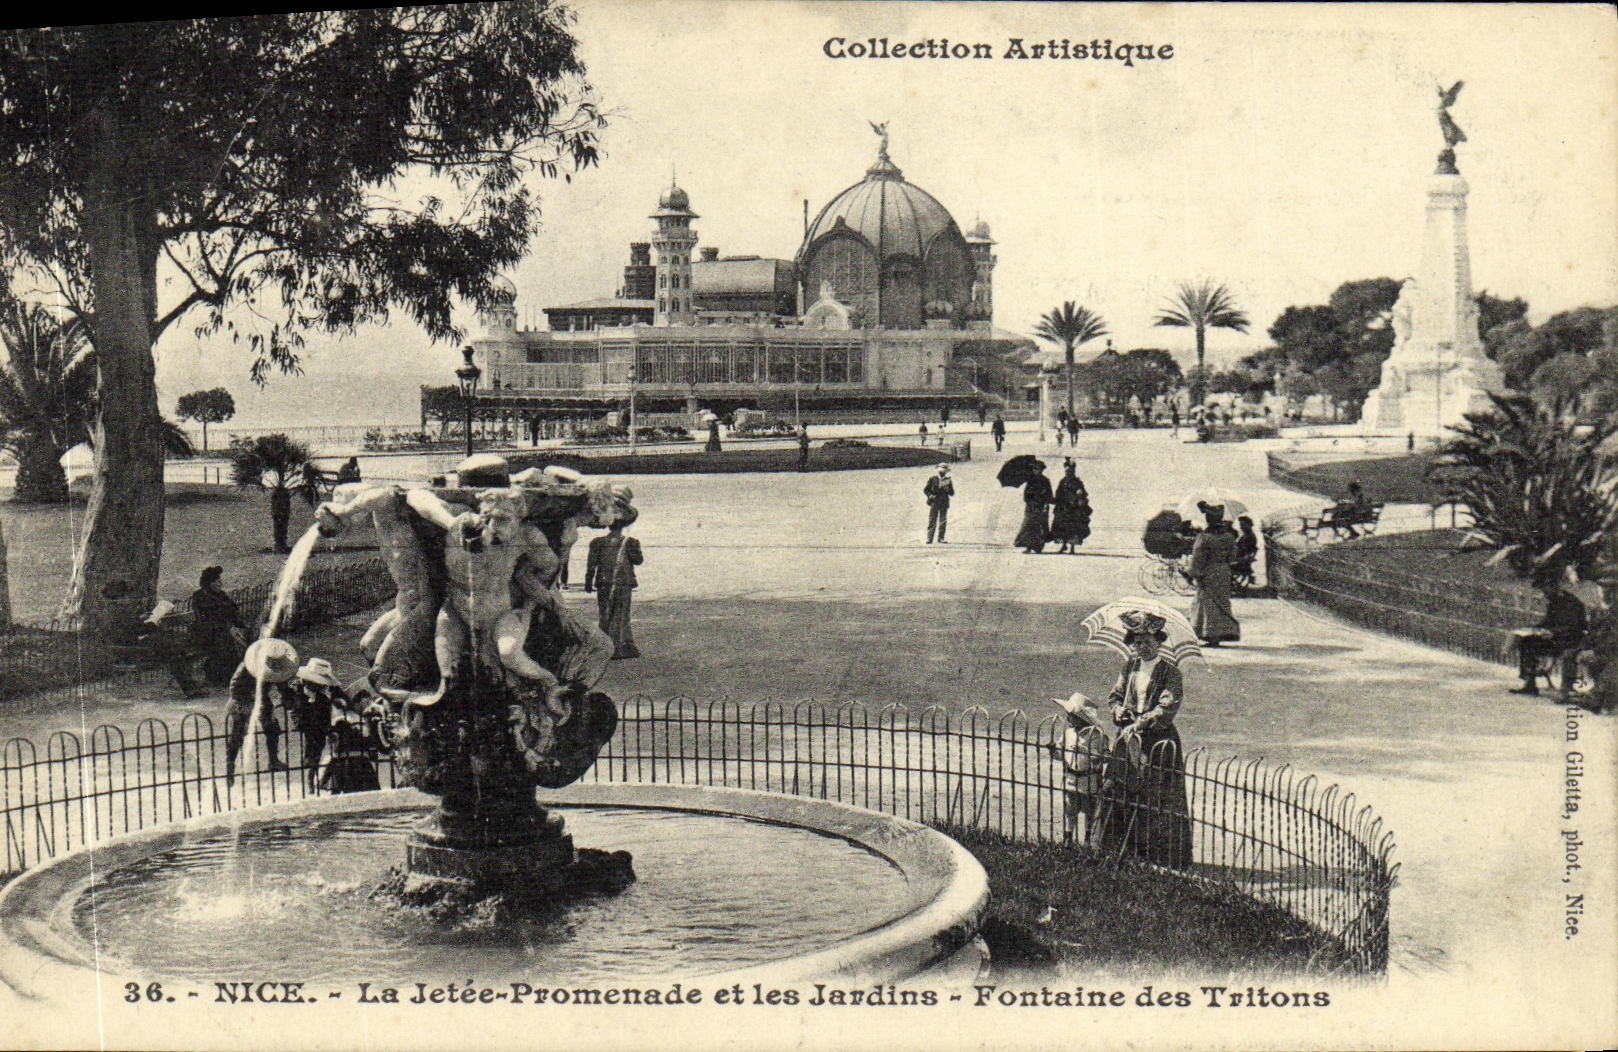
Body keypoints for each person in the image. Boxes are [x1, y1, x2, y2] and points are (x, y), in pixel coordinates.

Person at [1087, 612, 1193, 867]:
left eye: (1148, 641)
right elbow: (1115, 696)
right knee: (1117, 786)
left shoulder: (1171, 672)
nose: (1142, 647)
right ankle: (1116, 849)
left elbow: (1167, 706)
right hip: (1127, 739)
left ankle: (1156, 856)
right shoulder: (1130, 667)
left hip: (1157, 739)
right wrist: (1117, 711)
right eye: (1137, 642)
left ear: (1159, 642)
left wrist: (1141, 722)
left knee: (1155, 793)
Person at [223, 637, 297, 785]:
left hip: (262, 699)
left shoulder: (279, 667)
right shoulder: (248, 665)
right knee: (237, 736)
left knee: (273, 729)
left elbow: (282, 686)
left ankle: (273, 761)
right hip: (243, 700)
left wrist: (290, 699)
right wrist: (244, 704)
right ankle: (229, 769)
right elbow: (234, 686)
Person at [1509, 571, 1588, 697]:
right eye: (1543, 591)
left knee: (1565, 650)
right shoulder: (1554, 601)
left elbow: (1574, 627)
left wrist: (1553, 632)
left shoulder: (1572, 603)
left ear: (1555, 586)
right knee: (1527, 641)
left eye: (1546, 590)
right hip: (1555, 639)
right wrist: (1532, 629)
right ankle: (1530, 683)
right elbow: (1547, 621)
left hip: (1571, 640)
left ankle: (1566, 688)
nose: (1545, 594)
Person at [1047, 693, 1106, 845]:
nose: (1068, 719)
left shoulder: (1095, 735)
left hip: (1088, 778)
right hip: (1071, 777)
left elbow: (1100, 755)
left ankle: (1087, 840)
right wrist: (1054, 751)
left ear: (1080, 718)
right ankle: (1068, 838)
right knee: (1070, 809)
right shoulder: (1069, 733)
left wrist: (1094, 756)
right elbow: (1061, 755)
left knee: (1089, 811)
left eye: (1071, 716)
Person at [585, 510, 644, 659]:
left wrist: (588, 581)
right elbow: (638, 560)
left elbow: (591, 564)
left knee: (605, 614)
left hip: (604, 583)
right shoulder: (630, 542)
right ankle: (622, 647)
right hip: (623, 582)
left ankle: (604, 647)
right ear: (622, 527)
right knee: (622, 614)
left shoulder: (597, 542)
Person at [288, 657, 350, 792]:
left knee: (320, 748)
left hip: (322, 723)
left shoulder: (326, 693)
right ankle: (311, 777)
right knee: (313, 749)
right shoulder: (298, 687)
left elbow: (343, 698)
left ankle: (316, 777)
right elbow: (294, 706)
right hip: (308, 722)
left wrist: (336, 700)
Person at [1188, 502, 1241, 645]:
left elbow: (1197, 558)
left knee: (1208, 603)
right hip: (1223, 571)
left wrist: (1194, 573)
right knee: (1222, 601)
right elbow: (1232, 557)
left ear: (1208, 520)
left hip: (1208, 571)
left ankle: (1210, 634)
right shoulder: (1229, 536)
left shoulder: (1204, 537)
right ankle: (1220, 633)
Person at [190, 565, 248, 687]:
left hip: (222, 630)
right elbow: (207, 617)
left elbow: (232, 610)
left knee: (242, 637)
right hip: (206, 632)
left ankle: (237, 675)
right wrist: (228, 627)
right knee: (224, 642)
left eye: (220, 580)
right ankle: (221, 678)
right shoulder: (200, 596)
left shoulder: (221, 594)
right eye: (217, 581)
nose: (220, 583)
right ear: (209, 583)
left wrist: (239, 625)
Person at [1049, 459, 1092, 554]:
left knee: (1073, 529)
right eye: (1066, 471)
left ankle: (1072, 548)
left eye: (1070, 471)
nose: (1068, 473)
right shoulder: (1062, 481)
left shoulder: (1077, 482)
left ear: (1073, 471)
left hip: (1073, 509)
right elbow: (1058, 493)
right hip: (1063, 508)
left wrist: (1080, 493)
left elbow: (1083, 493)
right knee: (1061, 527)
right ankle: (1063, 545)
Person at [1015, 464, 1053, 554]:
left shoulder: (1045, 481)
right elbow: (1025, 496)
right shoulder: (1030, 481)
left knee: (1040, 527)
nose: (1036, 471)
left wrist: (1044, 498)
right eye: (1035, 469)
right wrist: (1031, 497)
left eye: (1038, 469)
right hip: (1031, 507)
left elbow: (1050, 495)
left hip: (1041, 507)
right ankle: (1028, 546)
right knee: (1029, 525)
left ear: (1041, 470)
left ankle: (1038, 547)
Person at [923, 463, 954, 544]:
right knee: (932, 520)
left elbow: (952, 493)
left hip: (944, 502)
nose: (942, 473)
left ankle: (941, 538)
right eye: (940, 472)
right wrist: (930, 496)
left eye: (943, 472)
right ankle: (929, 538)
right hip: (934, 502)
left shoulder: (948, 480)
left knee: (942, 521)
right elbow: (926, 490)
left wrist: (947, 489)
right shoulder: (933, 479)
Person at [1231, 514, 1261, 589]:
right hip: (1239, 557)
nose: (1241, 526)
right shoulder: (1246, 535)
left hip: (1241, 559)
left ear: (1249, 525)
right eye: (1241, 524)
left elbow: (1246, 549)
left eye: (1243, 524)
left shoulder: (1250, 536)